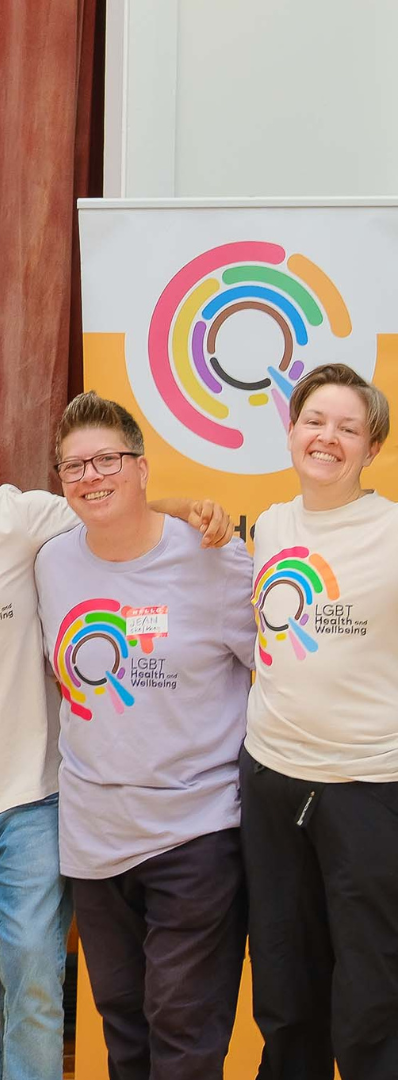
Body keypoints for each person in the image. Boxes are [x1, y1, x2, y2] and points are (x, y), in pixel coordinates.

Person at [0, 371, 232, 1080]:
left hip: (34, 797)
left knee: (31, 989)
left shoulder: (23, 517)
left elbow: (119, 511)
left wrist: (192, 508)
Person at [35, 391, 256, 1080]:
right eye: (73, 466)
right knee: (125, 1034)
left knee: (184, 1035)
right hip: (95, 840)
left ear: (142, 468)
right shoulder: (51, 562)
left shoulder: (216, 558)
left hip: (197, 833)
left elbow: (278, 677)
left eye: (106, 460)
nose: (91, 477)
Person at [239, 363, 398, 1080]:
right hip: (271, 780)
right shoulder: (271, 524)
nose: (327, 437)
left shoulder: (392, 532)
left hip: (369, 788)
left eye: (348, 427)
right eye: (314, 421)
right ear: (292, 430)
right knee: (283, 988)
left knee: (371, 996)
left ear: (371, 447)